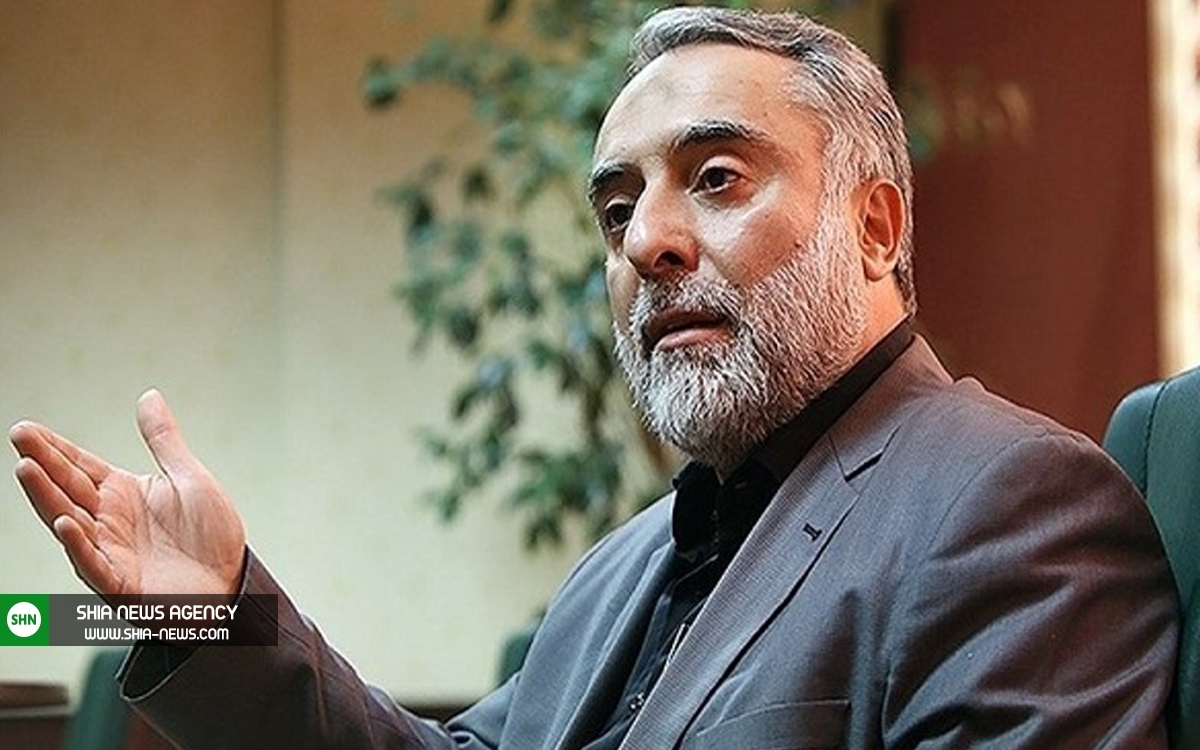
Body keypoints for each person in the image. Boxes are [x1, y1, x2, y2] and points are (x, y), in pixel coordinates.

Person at [9, 7, 1178, 749]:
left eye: (716, 178)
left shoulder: (1013, 504)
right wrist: (218, 612)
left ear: (874, 227)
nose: (646, 242)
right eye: (617, 210)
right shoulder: (623, 564)